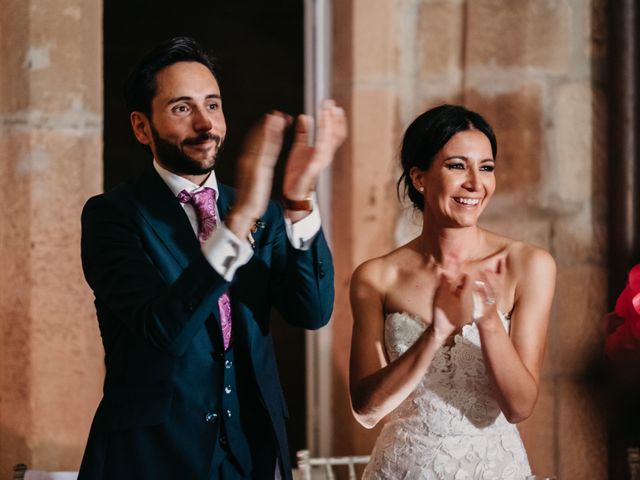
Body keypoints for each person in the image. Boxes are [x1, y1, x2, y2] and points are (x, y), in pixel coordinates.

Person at [78, 36, 346, 480]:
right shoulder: (112, 216)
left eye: (213, 105)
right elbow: (162, 330)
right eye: (182, 108)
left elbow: (312, 311)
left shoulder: (262, 210)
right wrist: (237, 224)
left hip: (252, 450)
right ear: (142, 127)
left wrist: (298, 203)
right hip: (151, 455)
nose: (206, 124)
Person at [349, 105, 556, 478]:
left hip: (495, 468)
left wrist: (489, 318)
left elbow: (519, 407)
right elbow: (366, 411)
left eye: (487, 167)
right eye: (457, 166)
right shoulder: (377, 277)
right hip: (404, 469)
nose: (476, 183)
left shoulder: (530, 265)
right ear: (419, 178)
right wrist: (436, 332)